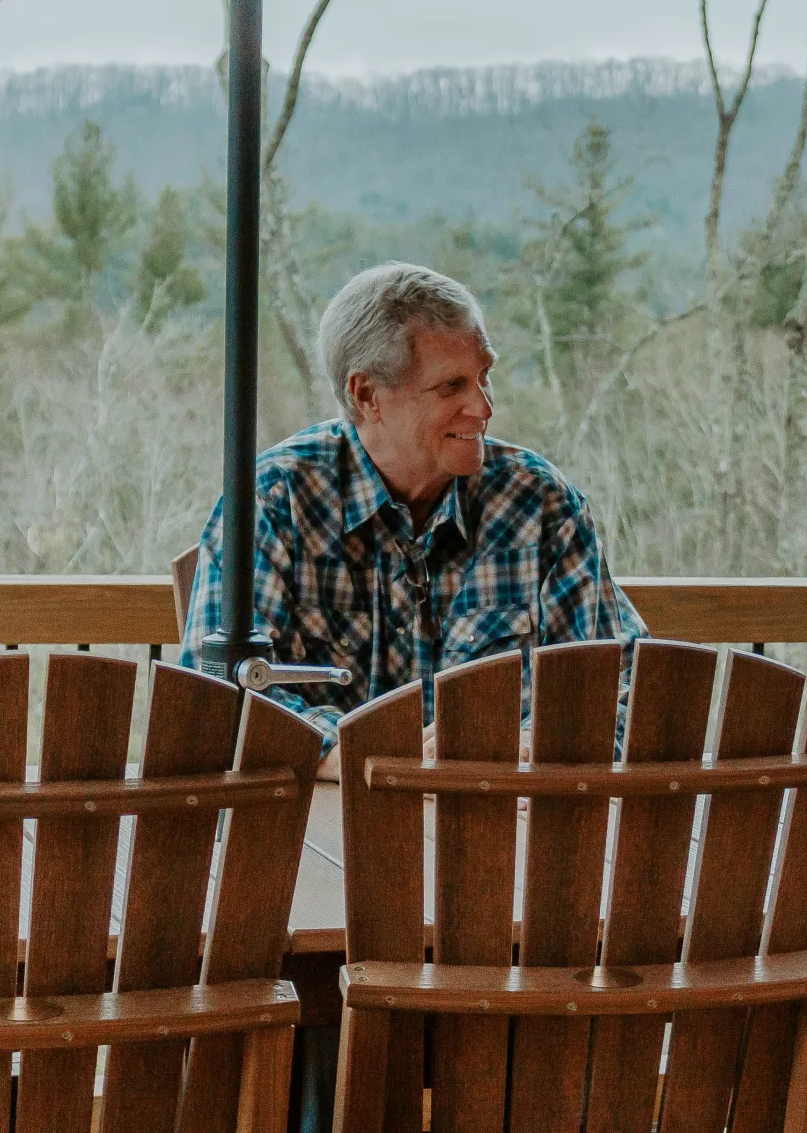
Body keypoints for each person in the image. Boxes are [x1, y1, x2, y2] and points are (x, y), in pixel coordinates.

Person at [180, 262, 644, 777]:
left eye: (484, 376)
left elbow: (622, 676)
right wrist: (364, 755)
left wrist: (545, 740)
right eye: (451, 387)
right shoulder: (273, 500)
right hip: (316, 836)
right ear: (366, 396)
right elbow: (214, 697)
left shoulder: (538, 502)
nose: (484, 407)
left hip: (500, 828)